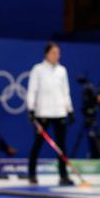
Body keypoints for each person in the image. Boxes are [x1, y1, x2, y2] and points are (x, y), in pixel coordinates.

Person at [26, 42, 75, 186]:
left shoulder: (62, 70)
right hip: (43, 113)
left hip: (59, 112)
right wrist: (31, 109)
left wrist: (69, 110)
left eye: (58, 53)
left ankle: (63, 175)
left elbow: (65, 92)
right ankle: (32, 173)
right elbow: (32, 90)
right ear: (46, 54)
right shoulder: (38, 69)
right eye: (54, 53)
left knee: (61, 146)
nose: (57, 56)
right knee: (37, 144)